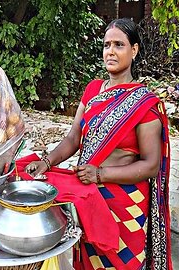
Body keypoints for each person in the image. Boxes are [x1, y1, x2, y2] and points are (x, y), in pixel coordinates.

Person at [25, 18, 172, 269]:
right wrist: (46, 162)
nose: (110, 51)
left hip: (126, 203)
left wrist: (100, 174)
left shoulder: (144, 104)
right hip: (91, 199)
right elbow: (73, 138)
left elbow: (150, 165)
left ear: (134, 50)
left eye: (119, 44)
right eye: (106, 45)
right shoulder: (93, 90)